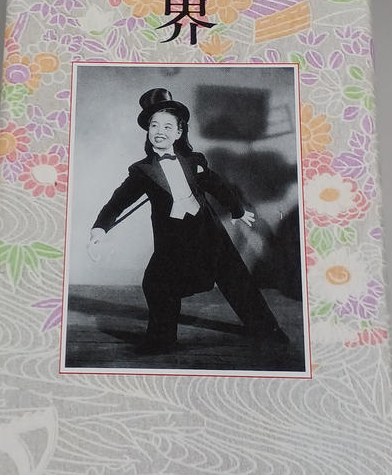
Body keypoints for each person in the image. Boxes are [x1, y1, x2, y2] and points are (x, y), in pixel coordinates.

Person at [88, 87, 289, 353]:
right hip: (173, 240)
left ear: (179, 132)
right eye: (154, 125)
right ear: (147, 131)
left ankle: (267, 329)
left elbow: (217, 185)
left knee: (236, 279)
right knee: (156, 284)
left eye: (167, 126)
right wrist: (99, 229)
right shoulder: (142, 171)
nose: (160, 131)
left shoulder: (194, 161)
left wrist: (237, 210)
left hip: (209, 233)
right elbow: (118, 201)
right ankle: (162, 340)